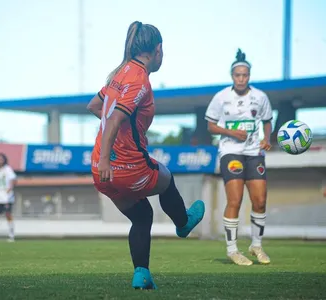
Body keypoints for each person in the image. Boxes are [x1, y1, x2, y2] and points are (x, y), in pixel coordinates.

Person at [87, 21, 205, 290]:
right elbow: (115, 119)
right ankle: (183, 222)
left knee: (142, 216)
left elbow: (95, 106)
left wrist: (108, 152)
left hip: (99, 172)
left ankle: (142, 275)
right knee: (165, 176)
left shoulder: (120, 73)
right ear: (158, 50)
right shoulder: (138, 79)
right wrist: (111, 151)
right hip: (126, 168)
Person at [205, 49, 273, 266]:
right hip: (231, 152)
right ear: (232, 76)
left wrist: (267, 138)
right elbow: (210, 126)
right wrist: (231, 133)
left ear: (249, 76)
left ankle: (256, 245)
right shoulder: (221, 97)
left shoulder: (260, 97)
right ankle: (232, 249)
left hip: (254, 153)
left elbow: (267, 121)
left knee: (260, 201)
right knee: (235, 200)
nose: (241, 78)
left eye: (245, 75)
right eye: (237, 75)